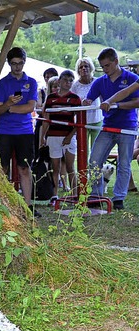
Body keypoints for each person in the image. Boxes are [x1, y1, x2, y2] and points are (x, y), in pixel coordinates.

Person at [83, 48, 139, 210]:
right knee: (94, 161)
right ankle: (96, 195)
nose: (105, 70)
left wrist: (117, 105)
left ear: (116, 62)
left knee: (124, 163)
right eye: (102, 67)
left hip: (127, 127)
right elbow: (89, 99)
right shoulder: (100, 81)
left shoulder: (132, 78)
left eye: (107, 66)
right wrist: (86, 102)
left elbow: (136, 100)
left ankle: (119, 198)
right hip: (107, 127)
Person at [0, 47, 39, 217]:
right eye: (14, 64)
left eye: (20, 63)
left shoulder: (31, 82)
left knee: (25, 169)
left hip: (25, 131)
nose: (17, 67)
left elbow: (30, 107)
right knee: (2, 168)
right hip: (5, 131)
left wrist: (9, 108)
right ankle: (2, 205)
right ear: (9, 64)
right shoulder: (3, 84)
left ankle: (28, 206)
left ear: (24, 63)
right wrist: (8, 103)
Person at [40, 70, 81, 203]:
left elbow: (79, 121)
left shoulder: (75, 98)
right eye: (65, 80)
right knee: (55, 166)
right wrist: (43, 136)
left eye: (70, 80)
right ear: (59, 81)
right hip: (53, 136)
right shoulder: (51, 98)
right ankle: (55, 195)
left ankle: (75, 195)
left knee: (70, 167)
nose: (67, 83)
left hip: (68, 136)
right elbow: (46, 118)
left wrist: (70, 135)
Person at [71, 57, 103, 152]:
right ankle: (84, 167)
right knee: (83, 150)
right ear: (78, 70)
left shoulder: (98, 82)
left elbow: (104, 98)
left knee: (97, 150)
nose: (84, 69)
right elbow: (72, 103)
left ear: (91, 68)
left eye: (86, 66)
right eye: (81, 67)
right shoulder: (75, 86)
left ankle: (95, 167)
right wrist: (81, 103)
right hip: (82, 121)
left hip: (97, 120)